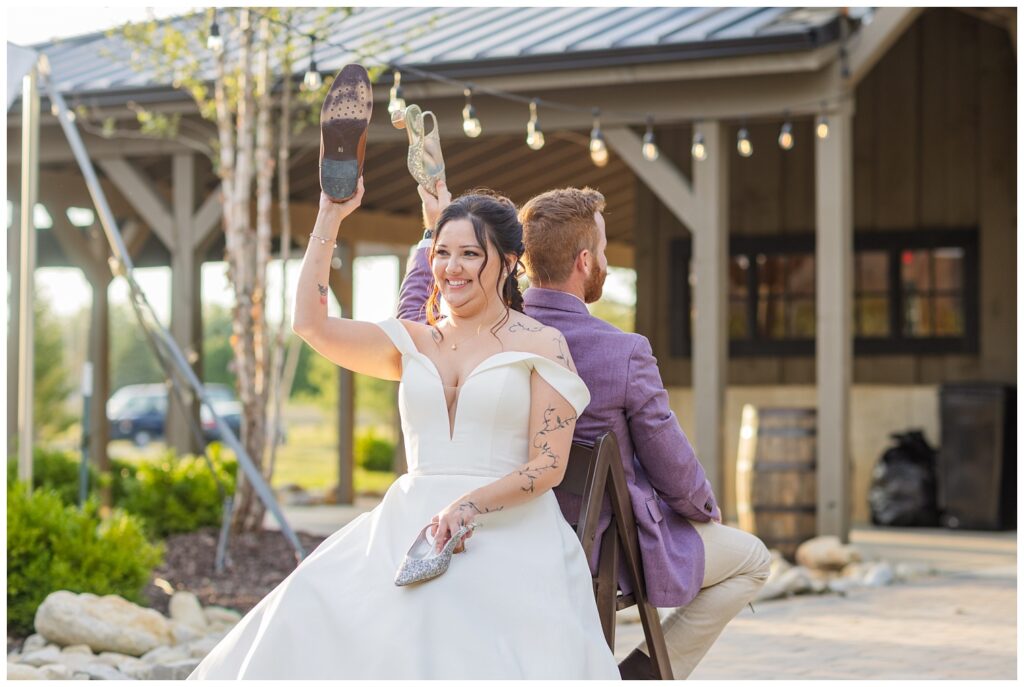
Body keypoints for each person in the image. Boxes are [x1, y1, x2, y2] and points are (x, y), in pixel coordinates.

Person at [189, 180, 620, 680]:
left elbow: (549, 465)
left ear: (506, 261)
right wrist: (330, 216)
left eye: (468, 254)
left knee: (446, 616)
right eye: (441, 253)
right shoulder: (412, 339)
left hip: (509, 529)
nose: (450, 268)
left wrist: (467, 507)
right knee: (309, 603)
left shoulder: (544, 345)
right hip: (406, 525)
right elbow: (310, 323)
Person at [399, 182, 771, 680]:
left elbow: (407, 321)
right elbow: (670, 461)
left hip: (480, 525)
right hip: (594, 543)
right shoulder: (623, 351)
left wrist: (431, 236)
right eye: (601, 251)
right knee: (752, 559)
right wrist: (704, 510)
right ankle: (640, 676)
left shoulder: (474, 331)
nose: (607, 265)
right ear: (582, 262)